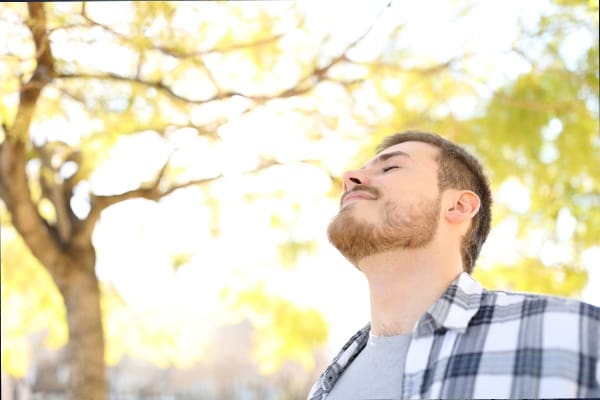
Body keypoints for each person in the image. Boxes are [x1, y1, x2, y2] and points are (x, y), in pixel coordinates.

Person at [307, 131, 599, 399]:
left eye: (390, 168)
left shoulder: (579, 336)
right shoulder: (324, 387)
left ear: (459, 207)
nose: (350, 177)